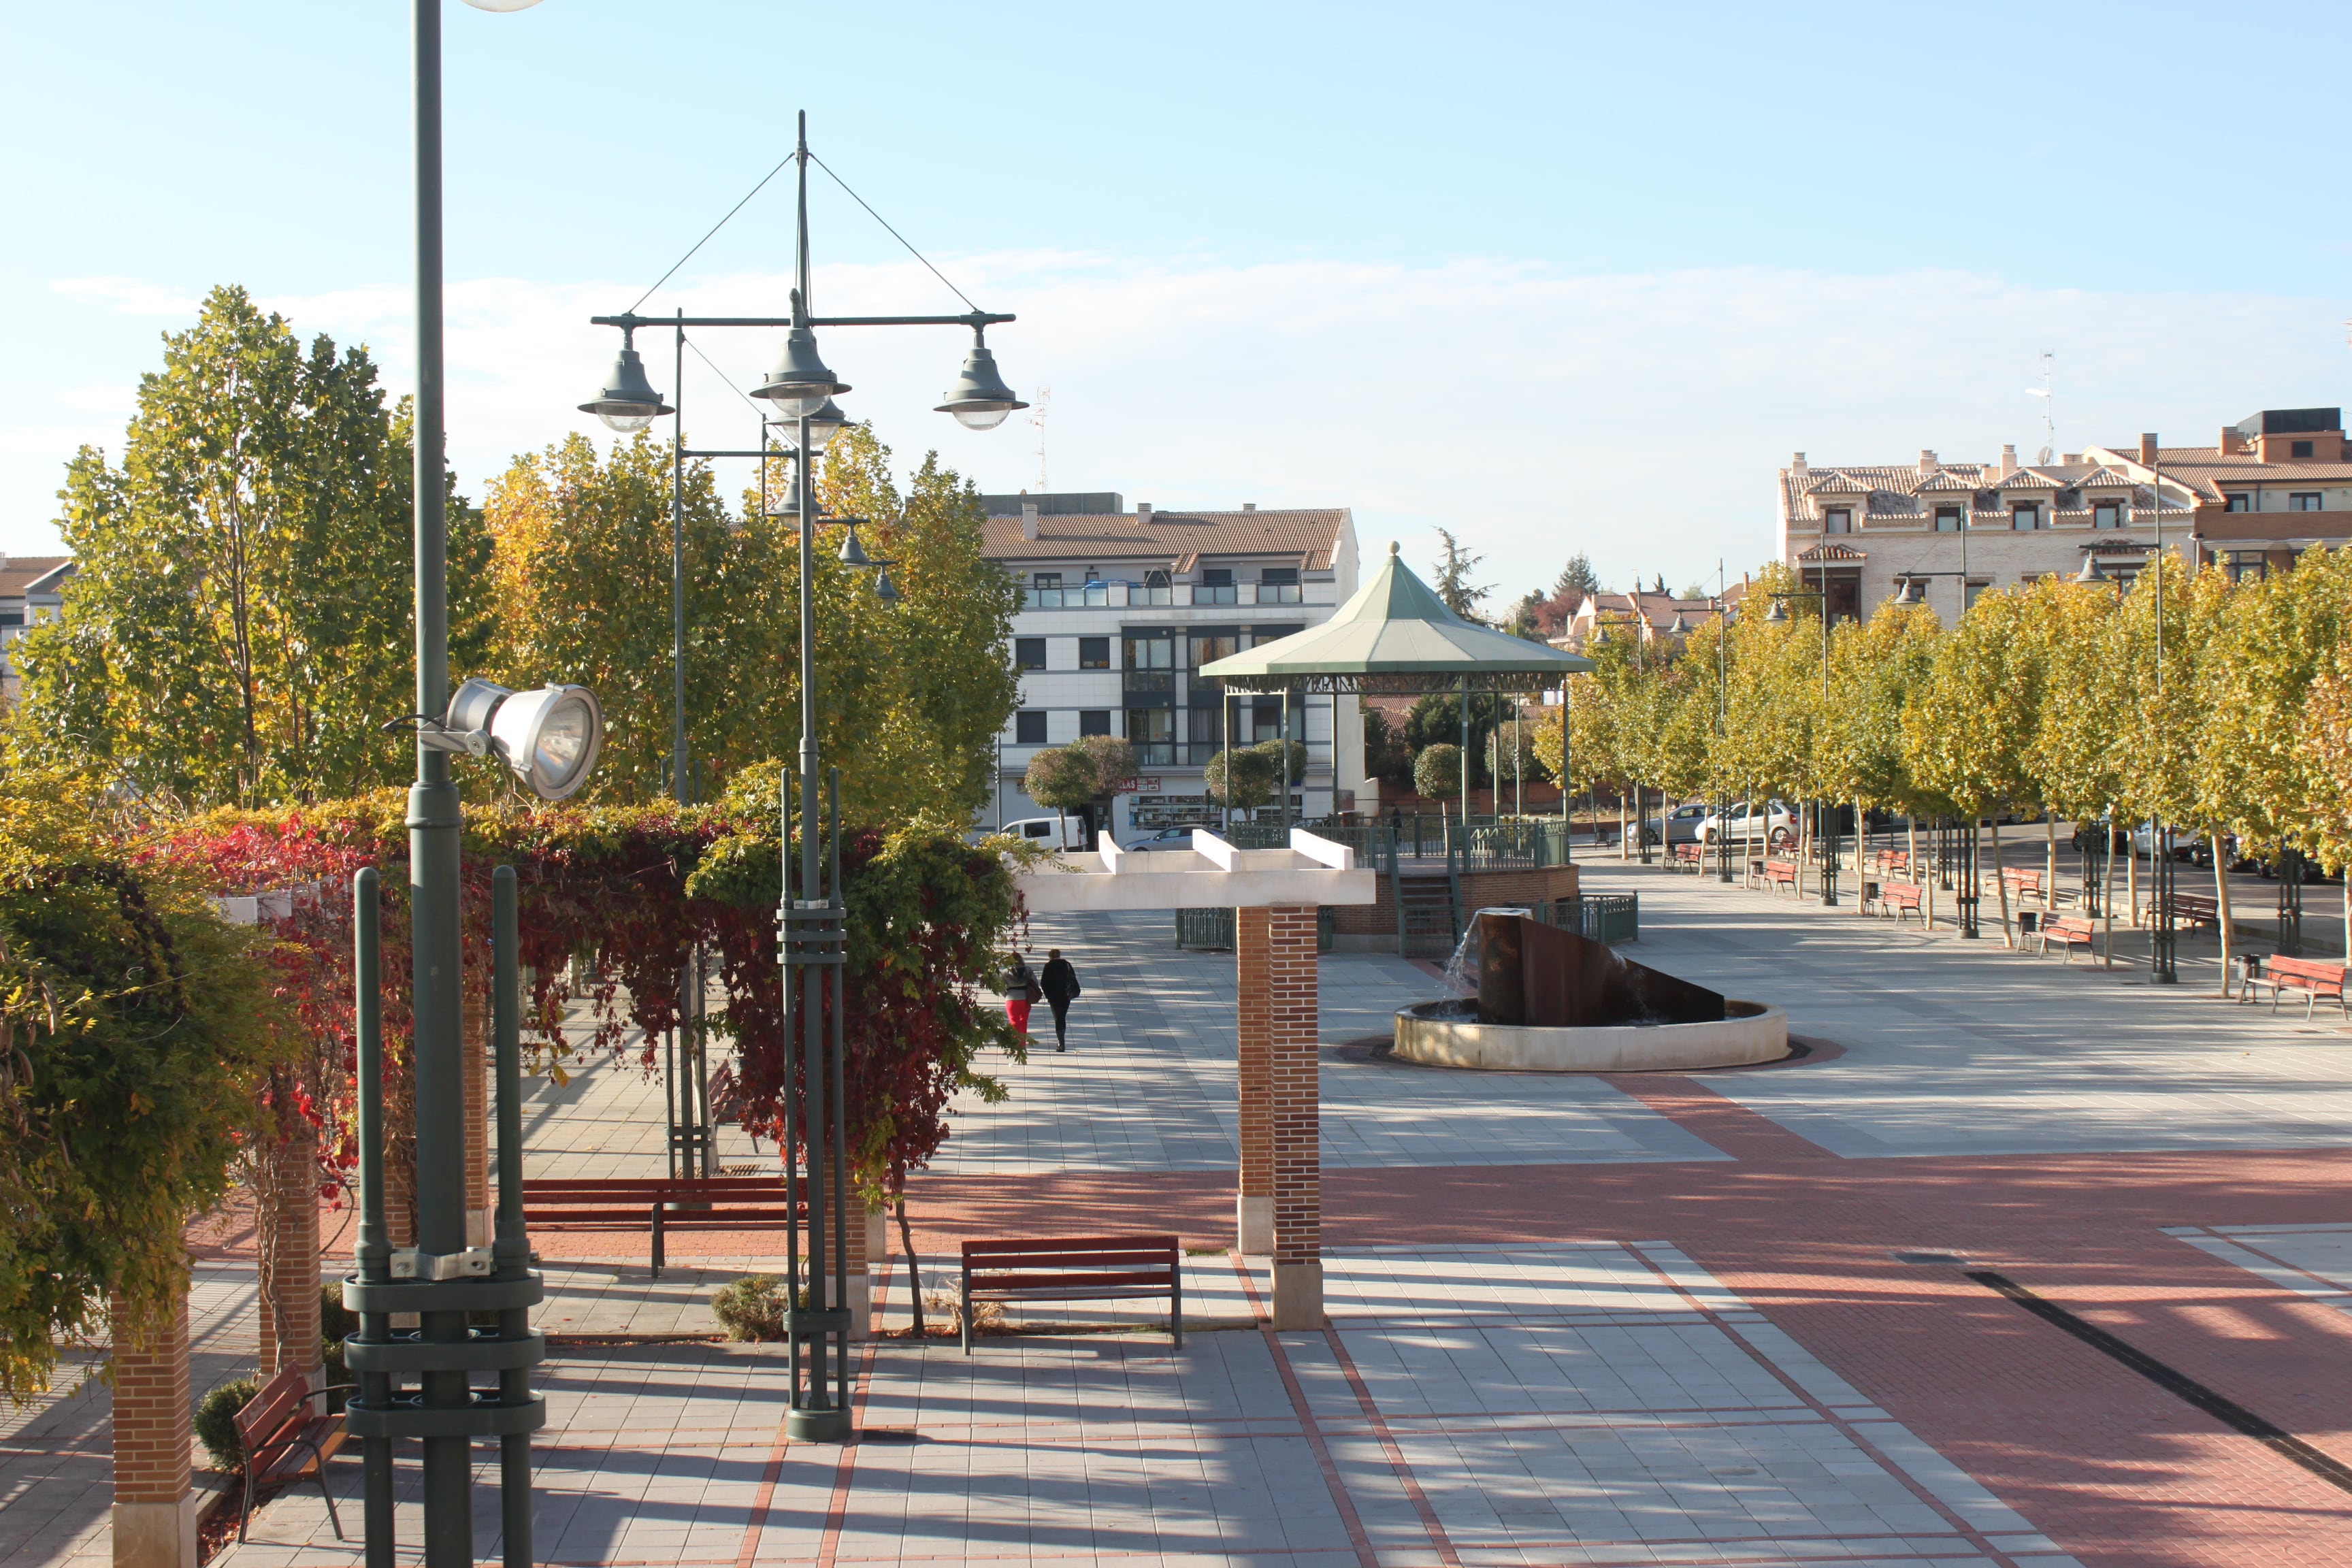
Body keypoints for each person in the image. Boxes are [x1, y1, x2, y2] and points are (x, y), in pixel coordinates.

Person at [1039, 948, 1081, 1051]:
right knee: (1062, 1016)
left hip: (1054, 997)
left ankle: (1061, 1043)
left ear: (1050, 956)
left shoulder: (1048, 966)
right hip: (1066, 995)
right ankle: (1061, 1041)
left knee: (1058, 1018)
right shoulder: (1066, 964)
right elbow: (1073, 978)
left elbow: (1044, 983)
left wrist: (1048, 995)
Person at [1002, 951, 1039, 1037]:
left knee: (1013, 1022)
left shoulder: (1005, 972)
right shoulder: (1028, 970)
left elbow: (1000, 987)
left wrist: (1006, 995)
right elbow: (1035, 983)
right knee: (1023, 1022)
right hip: (1025, 999)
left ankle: (1015, 1045)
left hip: (1011, 999)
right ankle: (1022, 1045)